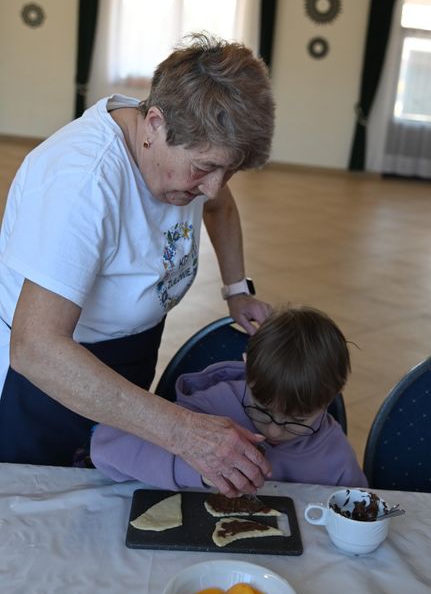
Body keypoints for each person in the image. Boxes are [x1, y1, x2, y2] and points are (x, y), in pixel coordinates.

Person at [0, 33, 275, 496]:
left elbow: (219, 207)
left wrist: (236, 289)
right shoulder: (82, 182)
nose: (213, 187)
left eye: (229, 171)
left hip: (126, 357)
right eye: (205, 169)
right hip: (46, 382)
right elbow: (36, 348)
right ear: (154, 123)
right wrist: (183, 432)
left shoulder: (183, 155)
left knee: (100, 502)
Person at [91, 306, 368, 489]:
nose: (273, 431)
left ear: (331, 397)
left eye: (296, 421)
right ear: (247, 368)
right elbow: (105, 447)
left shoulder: (335, 453)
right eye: (261, 409)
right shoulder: (208, 406)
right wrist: (199, 471)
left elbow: (357, 510)